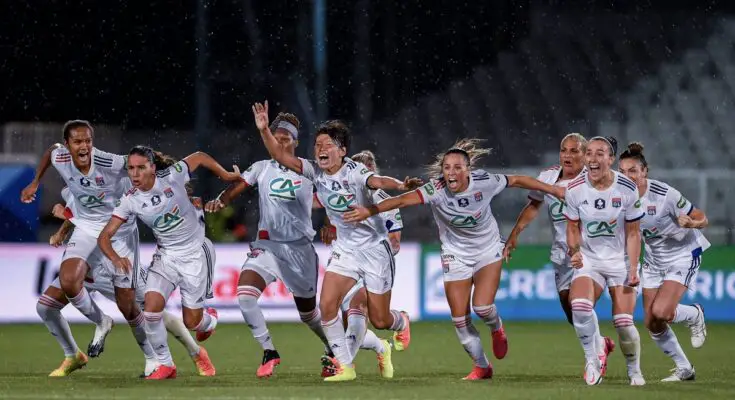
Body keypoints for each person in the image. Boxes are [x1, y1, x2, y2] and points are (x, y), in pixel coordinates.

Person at [344, 139, 565, 380]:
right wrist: (370, 210)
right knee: (459, 318)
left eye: (458, 167)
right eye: (447, 167)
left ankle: (496, 327)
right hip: (454, 254)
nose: (451, 172)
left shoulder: (485, 181)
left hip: (487, 249)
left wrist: (552, 190)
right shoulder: (435, 190)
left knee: (482, 307)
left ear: (468, 170)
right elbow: (401, 201)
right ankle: (482, 366)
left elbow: (518, 180)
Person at [252, 101, 422, 382]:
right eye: (318, 144)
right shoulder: (314, 172)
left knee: (379, 320)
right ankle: (345, 366)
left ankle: (400, 320)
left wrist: (401, 186)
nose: (320, 149)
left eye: (328, 144)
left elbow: (378, 182)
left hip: (374, 251)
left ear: (342, 151)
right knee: (327, 305)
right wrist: (263, 131)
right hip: (346, 250)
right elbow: (280, 156)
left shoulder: (355, 171)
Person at [21, 120, 157, 375]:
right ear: (69, 145)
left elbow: (138, 161)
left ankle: (153, 359)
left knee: (128, 305)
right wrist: (35, 182)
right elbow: (51, 151)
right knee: (69, 280)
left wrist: (170, 173)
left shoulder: (107, 162)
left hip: (118, 232)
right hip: (86, 228)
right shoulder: (61, 159)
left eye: (88, 141)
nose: (84, 146)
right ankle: (101, 322)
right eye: (78, 142)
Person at [204, 112, 333, 378]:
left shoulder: (309, 169)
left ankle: (333, 346)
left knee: (308, 315)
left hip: (300, 251)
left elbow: (333, 196)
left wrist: (330, 223)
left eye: (286, 140)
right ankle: (269, 350)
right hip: (267, 246)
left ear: (296, 143)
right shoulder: (262, 167)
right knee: (245, 295)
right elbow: (238, 187)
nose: (281, 144)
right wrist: (221, 200)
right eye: (277, 138)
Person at [43, 184, 217, 377]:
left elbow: (102, 221)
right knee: (45, 307)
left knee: (151, 311)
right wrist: (62, 231)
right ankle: (73, 354)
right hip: (82, 266)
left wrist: (68, 216)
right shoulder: (71, 188)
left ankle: (195, 352)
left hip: (114, 264)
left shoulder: (111, 184)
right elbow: (76, 211)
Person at [98, 145, 240, 380]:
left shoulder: (172, 176)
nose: (134, 174)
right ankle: (166, 365)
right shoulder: (130, 200)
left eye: (141, 168)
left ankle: (209, 320)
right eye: (131, 168)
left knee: (192, 322)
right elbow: (104, 236)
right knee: (151, 309)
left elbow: (200, 156)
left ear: (153, 168)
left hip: (195, 254)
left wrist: (225, 175)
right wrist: (115, 257)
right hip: (166, 257)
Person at [503, 133, 615, 375]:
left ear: (586, 156)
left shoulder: (595, 179)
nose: (567, 155)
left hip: (589, 254)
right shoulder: (548, 177)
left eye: (574, 151)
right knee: (571, 313)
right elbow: (534, 205)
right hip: (562, 254)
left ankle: (595, 356)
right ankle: (601, 342)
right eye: (564, 150)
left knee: (580, 304)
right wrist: (515, 233)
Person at [618, 142, 708, 382]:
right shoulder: (620, 196)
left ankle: (694, 315)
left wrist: (692, 223)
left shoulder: (664, 194)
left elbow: (701, 217)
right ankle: (684, 368)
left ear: (645, 171)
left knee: (662, 312)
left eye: (634, 171)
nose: (629, 177)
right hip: (654, 261)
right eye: (623, 172)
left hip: (683, 254)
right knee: (652, 322)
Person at [563, 136, 645, 386]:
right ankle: (592, 360)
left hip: (620, 261)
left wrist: (632, 268)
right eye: (589, 153)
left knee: (622, 322)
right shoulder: (575, 189)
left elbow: (633, 233)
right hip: (591, 260)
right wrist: (575, 250)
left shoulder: (627, 189)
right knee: (578, 305)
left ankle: (634, 370)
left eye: (600, 153)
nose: (593, 158)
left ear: (610, 159)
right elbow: (572, 227)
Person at [320, 150, 400, 379]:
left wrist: (377, 249)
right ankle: (381, 347)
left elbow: (395, 242)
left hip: (373, 265)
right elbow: (327, 212)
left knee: (363, 317)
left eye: (368, 170)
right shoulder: (338, 196)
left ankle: (342, 364)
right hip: (345, 261)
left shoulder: (385, 202)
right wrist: (329, 227)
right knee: (343, 322)